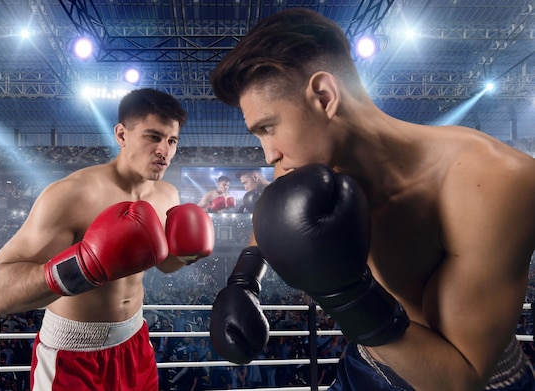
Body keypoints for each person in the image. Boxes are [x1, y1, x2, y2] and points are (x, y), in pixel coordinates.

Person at [209, 8, 535, 391]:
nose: (268, 155)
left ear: (324, 96)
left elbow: (459, 377)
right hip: (369, 358)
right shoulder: (307, 162)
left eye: (268, 128)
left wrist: (344, 295)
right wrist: (244, 280)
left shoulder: (492, 182)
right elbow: (276, 213)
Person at [0, 88, 215, 391]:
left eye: (172, 141)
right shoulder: (72, 194)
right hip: (72, 354)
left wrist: (185, 254)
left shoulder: (168, 195)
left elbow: (165, 266)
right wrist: (84, 266)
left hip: (134, 343)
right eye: (153, 137)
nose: (164, 150)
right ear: (121, 134)